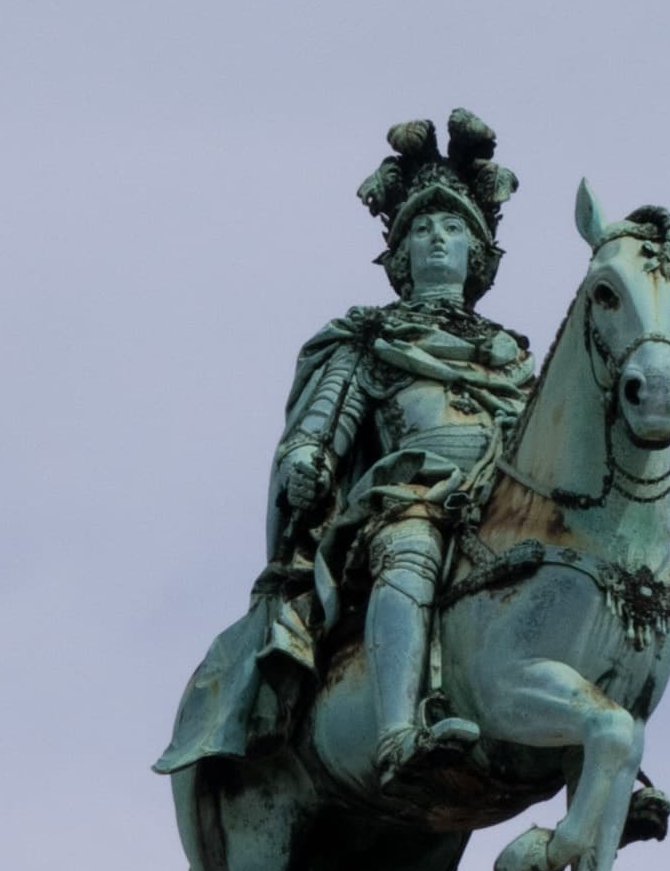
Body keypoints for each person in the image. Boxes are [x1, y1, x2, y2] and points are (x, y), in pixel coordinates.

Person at [155, 110, 534, 791]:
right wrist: (307, 462)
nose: (437, 239)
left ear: (477, 254)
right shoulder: (368, 339)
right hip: (408, 497)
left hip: (499, 503)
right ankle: (398, 734)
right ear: (401, 254)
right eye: (422, 229)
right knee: (411, 545)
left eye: (453, 229)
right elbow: (319, 429)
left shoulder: (516, 358)